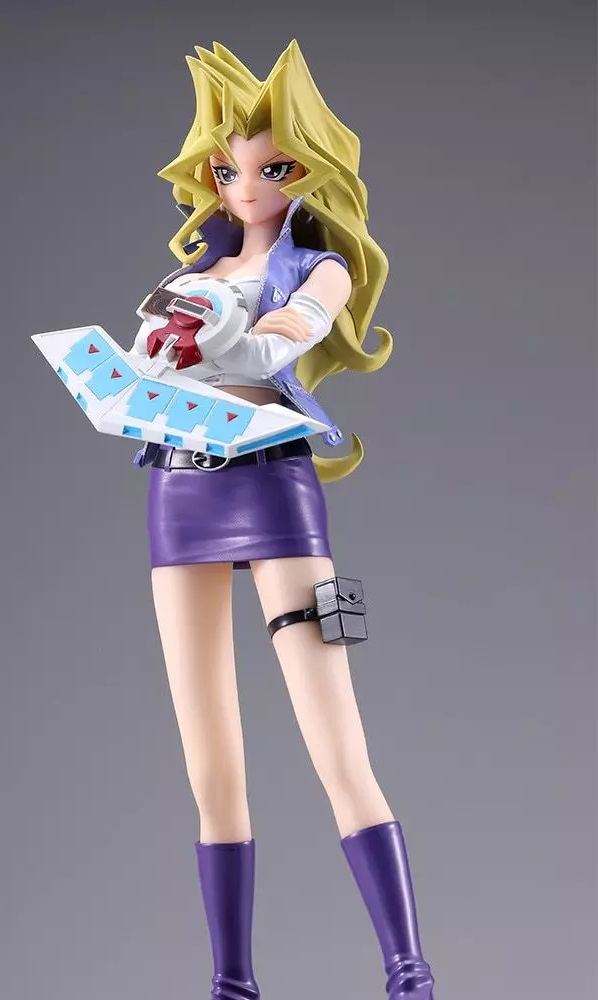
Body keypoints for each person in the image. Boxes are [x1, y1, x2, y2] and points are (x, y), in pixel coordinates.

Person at [130, 39, 436, 1000]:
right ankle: (232, 984)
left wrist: (207, 335)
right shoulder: (194, 271)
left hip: (271, 478)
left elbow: (275, 348)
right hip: (180, 482)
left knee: (335, 738)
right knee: (208, 757)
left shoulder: (322, 268)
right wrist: (151, 357)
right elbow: (143, 369)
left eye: (272, 168)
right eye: (228, 170)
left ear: (311, 172)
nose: (247, 186)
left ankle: (409, 972)